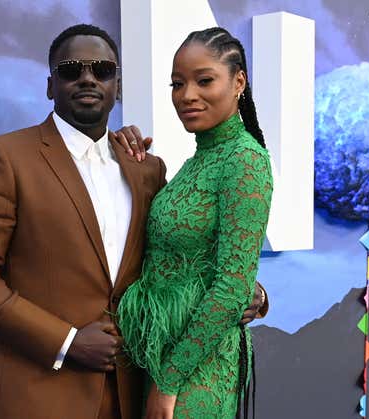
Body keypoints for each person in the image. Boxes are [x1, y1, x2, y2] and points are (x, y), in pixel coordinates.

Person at [0, 24, 266, 419]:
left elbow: (175, 254)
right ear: (50, 85)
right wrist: (67, 341)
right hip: (39, 394)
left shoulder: (146, 169)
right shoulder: (6, 157)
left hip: (134, 391)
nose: (87, 78)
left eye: (102, 70)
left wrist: (247, 289)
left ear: (118, 85)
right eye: (70, 70)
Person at [116, 27, 273, 419]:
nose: (187, 95)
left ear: (238, 82)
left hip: (196, 370)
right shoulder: (198, 160)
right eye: (177, 83)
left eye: (204, 80)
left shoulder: (245, 160)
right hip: (162, 353)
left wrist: (169, 384)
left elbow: (231, 288)